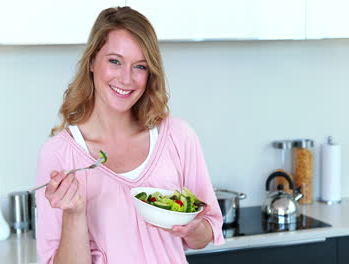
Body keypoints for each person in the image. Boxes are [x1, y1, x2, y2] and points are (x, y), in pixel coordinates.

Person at [35, 6, 224, 264]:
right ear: (92, 61)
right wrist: (74, 213)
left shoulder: (178, 136)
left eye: (140, 66)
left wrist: (193, 229)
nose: (126, 78)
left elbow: (206, 231)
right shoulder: (59, 154)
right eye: (115, 61)